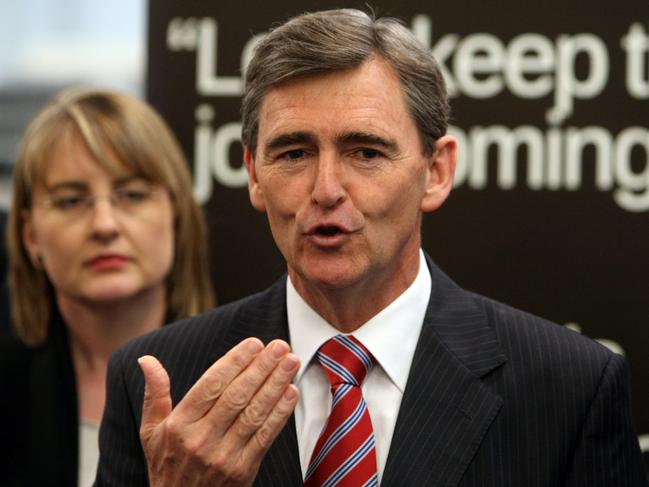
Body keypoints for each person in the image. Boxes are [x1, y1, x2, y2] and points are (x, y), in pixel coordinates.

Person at [95, 9, 648, 486]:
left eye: (365, 152)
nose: (326, 189)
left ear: (436, 171)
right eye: (293, 154)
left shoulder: (571, 389)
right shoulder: (160, 383)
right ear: (253, 176)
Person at [0, 88, 215, 487]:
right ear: (31, 236)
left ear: (176, 214)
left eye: (132, 195)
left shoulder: (242, 376)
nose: (104, 224)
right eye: (70, 201)